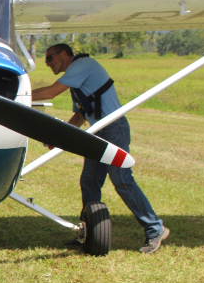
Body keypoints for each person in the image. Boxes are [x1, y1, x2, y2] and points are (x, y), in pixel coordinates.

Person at [31, 43, 170, 254]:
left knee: (121, 179)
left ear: (64, 54)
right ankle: (90, 233)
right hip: (98, 130)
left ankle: (155, 228)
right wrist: (61, 137)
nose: (47, 63)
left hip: (114, 129)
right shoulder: (76, 79)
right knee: (89, 182)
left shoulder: (82, 65)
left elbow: (51, 92)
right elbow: (81, 115)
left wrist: (15, 96)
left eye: (49, 58)